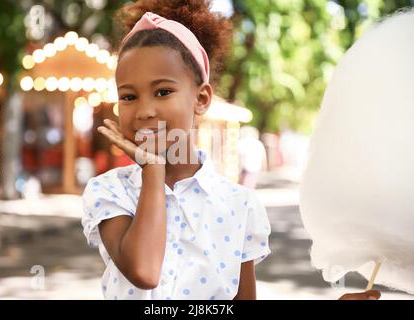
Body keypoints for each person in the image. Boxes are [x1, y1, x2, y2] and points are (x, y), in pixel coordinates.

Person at [81, 0, 380, 301]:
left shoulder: (240, 205)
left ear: (201, 99)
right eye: (129, 96)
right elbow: (144, 271)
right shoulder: (110, 192)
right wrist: (153, 170)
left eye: (163, 92)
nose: (145, 110)